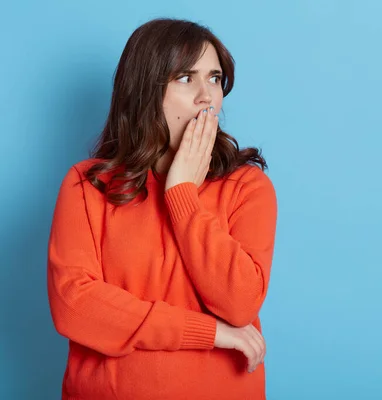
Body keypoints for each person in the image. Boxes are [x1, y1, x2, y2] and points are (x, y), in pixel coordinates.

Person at [47, 18, 277, 400]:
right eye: (186, 78)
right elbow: (76, 306)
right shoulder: (87, 185)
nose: (206, 95)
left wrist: (182, 193)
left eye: (215, 78)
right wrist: (209, 332)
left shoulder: (247, 187)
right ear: (144, 91)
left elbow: (239, 304)